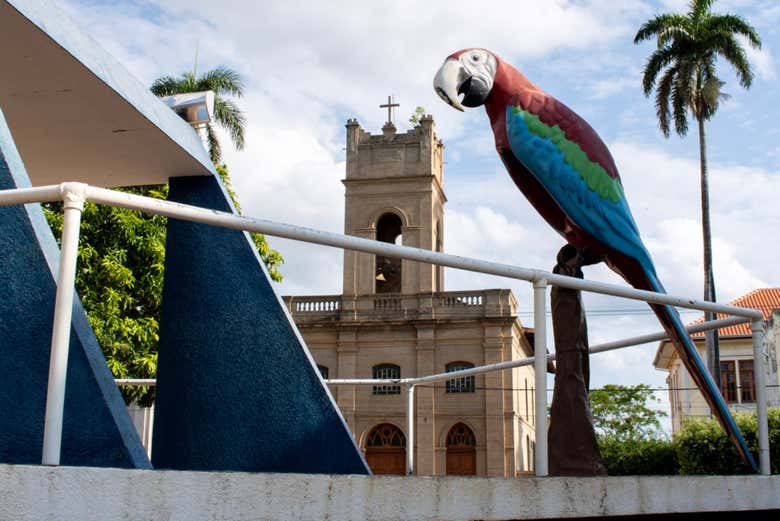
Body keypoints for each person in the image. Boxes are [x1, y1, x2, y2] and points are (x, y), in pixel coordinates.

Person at [548, 244, 606, 476]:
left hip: (577, 342)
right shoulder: (561, 277)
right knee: (573, 384)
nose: (578, 264)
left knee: (580, 380)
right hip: (569, 344)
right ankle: (575, 457)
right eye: (575, 261)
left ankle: (577, 455)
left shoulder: (571, 277)